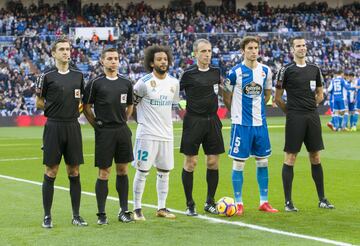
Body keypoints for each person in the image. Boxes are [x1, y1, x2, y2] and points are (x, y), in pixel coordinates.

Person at [274, 36, 335, 211]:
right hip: (295, 117)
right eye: (298, 46)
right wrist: (292, 113)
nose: (301, 48)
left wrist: (310, 106)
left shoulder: (315, 69)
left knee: (315, 156)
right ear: (292, 50)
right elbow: (278, 99)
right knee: (291, 157)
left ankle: (322, 199)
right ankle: (288, 202)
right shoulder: (286, 70)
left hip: (312, 117)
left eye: (304, 45)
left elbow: (320, 94)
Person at [222, 36, 278, 216]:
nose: (253, 51)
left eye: (256, 48)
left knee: (263, 161)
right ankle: (238, 203)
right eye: (250, 48)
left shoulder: (265, 71)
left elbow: (268, 93)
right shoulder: (235, 72)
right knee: (239, 164)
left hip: (260, 124)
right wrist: (235, 113)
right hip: (241, 125)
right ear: (243, 51)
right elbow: (226, 95)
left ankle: (264, 202)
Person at [35, 37, 88, 228]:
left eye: (68, 49)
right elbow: (39, 102)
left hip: (73, 126)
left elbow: (82, 101)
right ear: (54, 53)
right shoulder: (45, 76)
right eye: (62, 49)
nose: (66, 52)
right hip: (54, 126)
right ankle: (47, 216)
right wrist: (54, 108)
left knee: (74, 171)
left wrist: (76, 112)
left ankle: (76, 215)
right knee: (51, 170)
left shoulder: (79, 76)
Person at [82, 48, 134, 225]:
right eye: (110, 58)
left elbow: (130, 106)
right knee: (104, 172)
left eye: (116, 58)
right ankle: (101, 214)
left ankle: (123, 211)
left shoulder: (126, 83)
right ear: (102, 61)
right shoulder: (95, 83)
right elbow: (86, 107)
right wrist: (96, 125)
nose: (113, 61)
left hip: (122, 131)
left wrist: (123, 121)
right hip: (104, 132)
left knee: (123, 170)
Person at [132, 45, 180, 221]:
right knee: (142, 171)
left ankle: (162, 207)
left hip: (166, 135)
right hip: (147, 135)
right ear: (152, 62)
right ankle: (137, 208)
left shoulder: (174, 83)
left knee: (164, 172)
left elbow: (172, 106)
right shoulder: (143, 83)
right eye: (159, 59)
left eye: (165, 59)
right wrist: (141, 122)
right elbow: (132, 105)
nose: (163, 62)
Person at [180, 39, 225, 216]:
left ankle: (210, 202)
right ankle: (190, 204)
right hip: (193, 121)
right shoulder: (188, 74)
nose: (207, 54)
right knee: (191, 163)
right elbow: (174, 94)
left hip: (212, 120)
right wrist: (182, 110)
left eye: (209, 51)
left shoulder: (216, 71)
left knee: (213, 162)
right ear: (196, 54)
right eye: (203, 51)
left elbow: (223, 89)